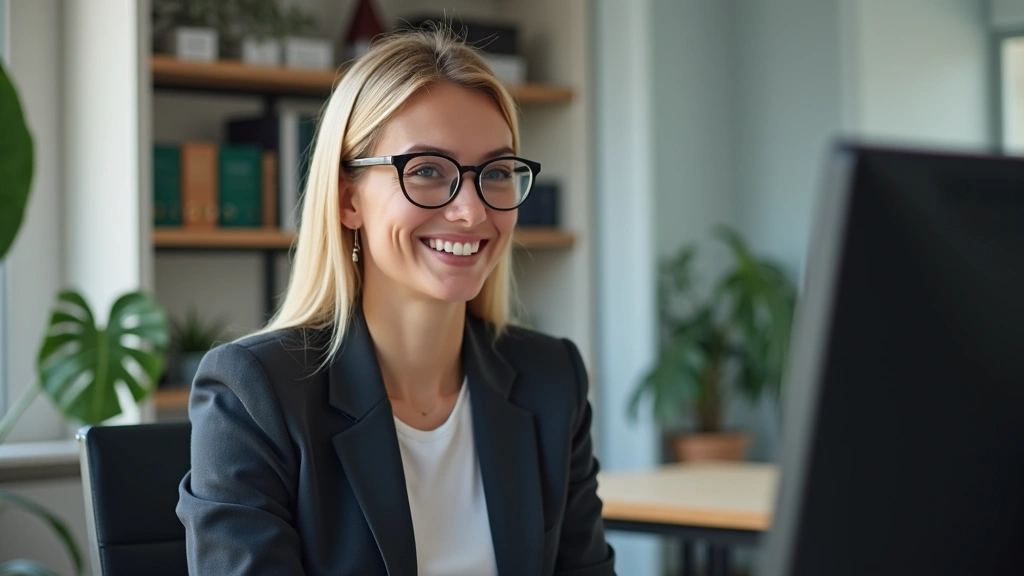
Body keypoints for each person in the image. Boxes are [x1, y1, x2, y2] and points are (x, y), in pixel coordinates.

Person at [176, 25, 616, 576]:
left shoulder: (551, 379)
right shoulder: (254, 395)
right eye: (428, 171)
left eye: (497, 173)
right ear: (346, 198)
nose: (472, 212)